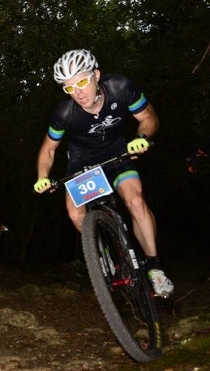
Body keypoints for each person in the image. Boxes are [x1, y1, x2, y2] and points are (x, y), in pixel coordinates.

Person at [32, 49, 174, 297]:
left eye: (83, 81)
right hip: (82, 161)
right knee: (76, 214)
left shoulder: (120, 87)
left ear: (96, 75)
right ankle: (105, 254)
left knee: (135, 201)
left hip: (116, 152)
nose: (78, 92)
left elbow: (149, 118)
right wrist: (43, 177)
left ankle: (155, 268)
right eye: (69, 88)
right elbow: (48, 149)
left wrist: (142, 138)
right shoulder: (65, 113)